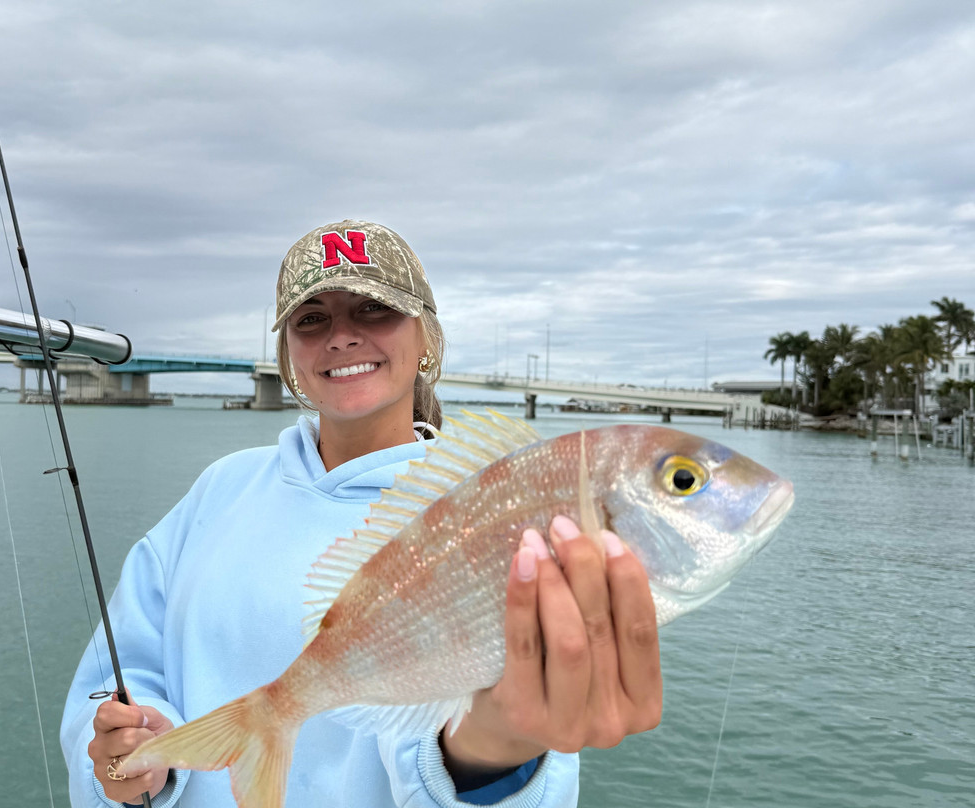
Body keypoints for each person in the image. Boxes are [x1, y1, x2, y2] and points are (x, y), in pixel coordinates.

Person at [60, 220, 662, 807]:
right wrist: (128, 762)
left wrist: (494, 755)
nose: (341, 336)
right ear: (289, 353)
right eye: (312, 318)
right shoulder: (221, 488)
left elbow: (518, 750)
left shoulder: (489, 512)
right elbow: (118, 669)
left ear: (426, 336)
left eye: (374, 309)